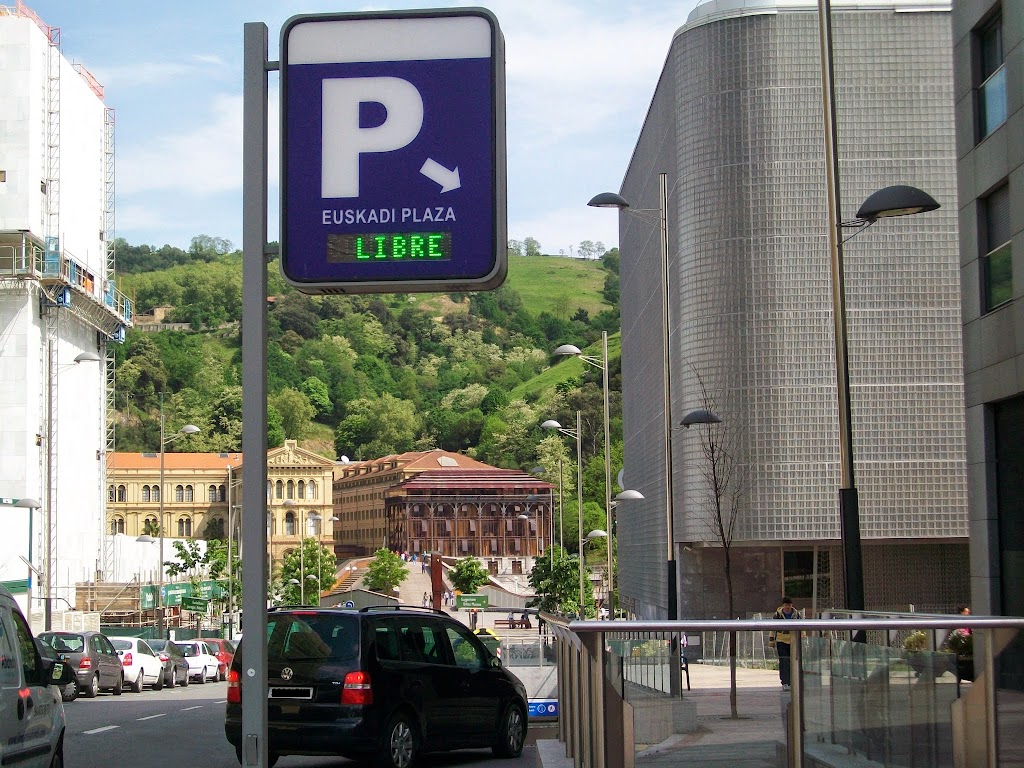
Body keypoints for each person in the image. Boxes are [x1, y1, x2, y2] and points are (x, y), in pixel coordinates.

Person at [768, 597, 801, 691]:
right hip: (781, 640)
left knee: (793, 661)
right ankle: (785, 682)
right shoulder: (777, 615)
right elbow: (772, 628)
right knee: (784, 661)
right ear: (783, 605)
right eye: (786, 605)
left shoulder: (796, 614)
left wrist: (803, 638)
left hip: (793, 641)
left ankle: (792, 681)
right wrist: (771, 641)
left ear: (791, 605)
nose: (787, 607)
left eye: (789, 605)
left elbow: (801, 626)